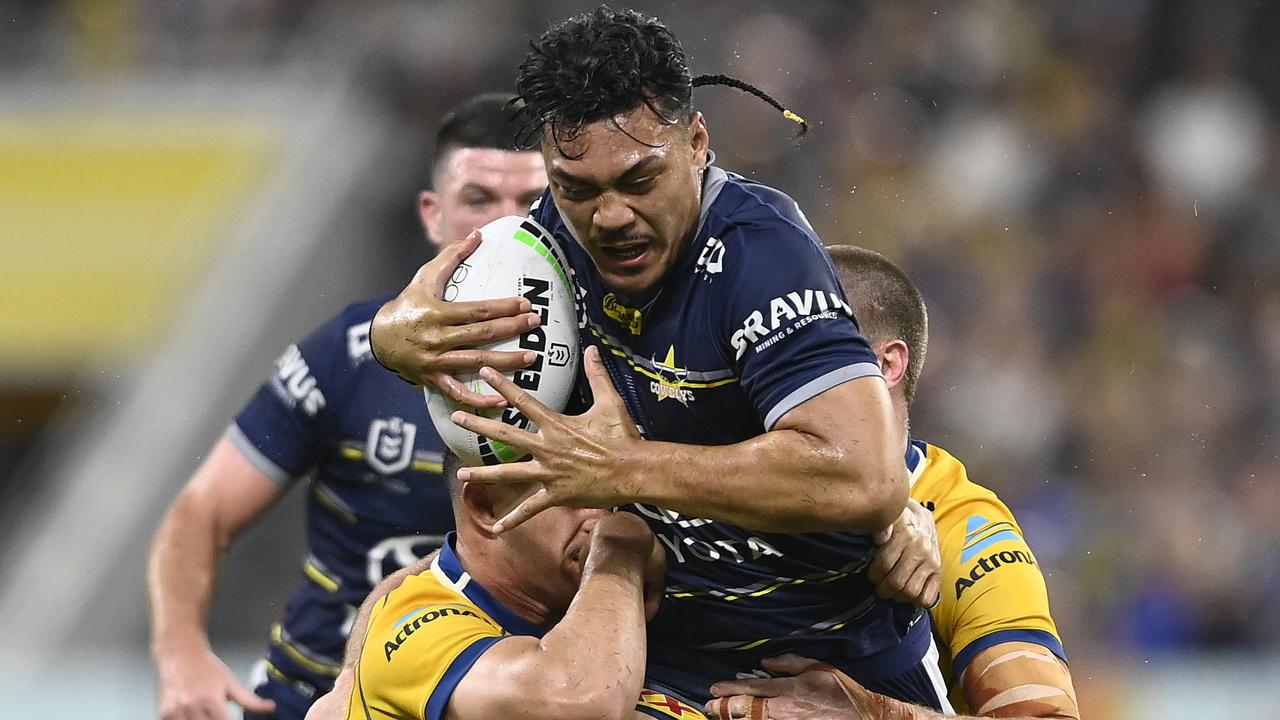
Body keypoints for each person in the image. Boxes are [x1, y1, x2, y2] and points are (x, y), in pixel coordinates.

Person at [369, 6, 946, 710]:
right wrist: (391, 334)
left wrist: (628, 467)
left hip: (831, 667)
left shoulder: (758, 255)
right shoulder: (546, 244)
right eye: (577, 189)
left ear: (698, 143)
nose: (608, 217)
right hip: (671, 654)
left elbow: (866, 479)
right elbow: (430, 329)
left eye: (639, 181)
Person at [147, 93, 549, 720]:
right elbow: (203, 510)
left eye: (530, 204)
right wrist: (180, 651)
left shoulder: (607, 366)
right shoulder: (347, 353)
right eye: (478, 200)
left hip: (485, 697)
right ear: (431, 213)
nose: (503, 225)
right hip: (312, 693)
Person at [705, 247, 1080, 720]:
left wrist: (874, 715)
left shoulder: (962, 527)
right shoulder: (716, 479)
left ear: (886, 366)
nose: (774, 377)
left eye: (809, 356)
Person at [308, 450, 699, 720]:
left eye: (609, 491)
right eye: (573, 492)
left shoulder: (574, 600)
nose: (604, 514)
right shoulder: (420, 626)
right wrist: (620, 546)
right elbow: (582, 701)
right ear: (486, 507)